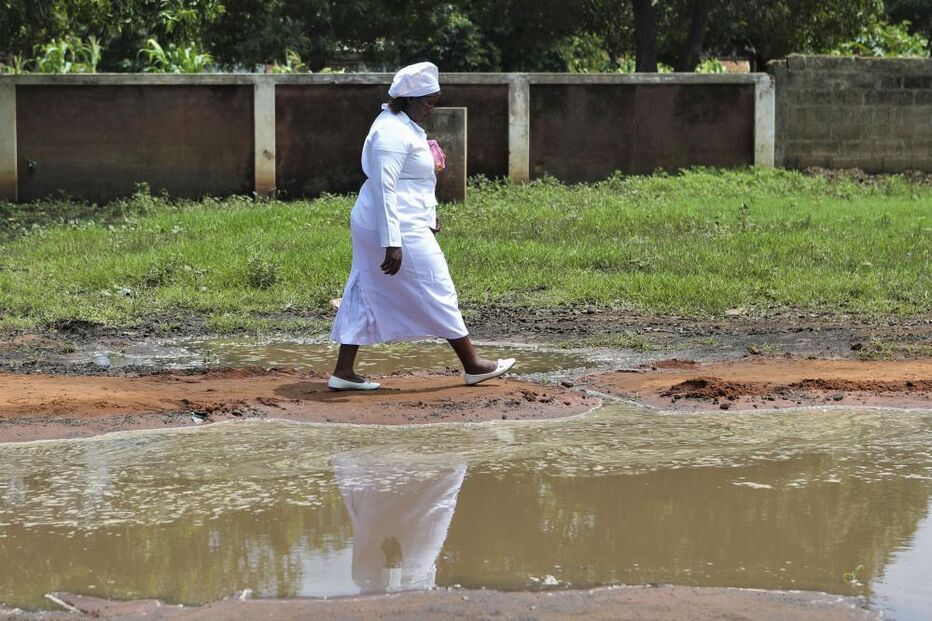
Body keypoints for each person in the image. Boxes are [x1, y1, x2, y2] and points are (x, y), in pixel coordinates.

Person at [329, 61, 514, 391]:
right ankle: (473, 365)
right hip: (390, 226)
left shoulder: (402, 124)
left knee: (365, 289)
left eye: (435, 100)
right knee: (436, 284)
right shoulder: (390, 133)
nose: (432, 107)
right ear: (410, 99)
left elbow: (411, 184)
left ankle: (343, 371)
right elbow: (386, 188)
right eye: (429, 101)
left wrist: (428, 216)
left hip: (399, 221)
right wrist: (393, 242)